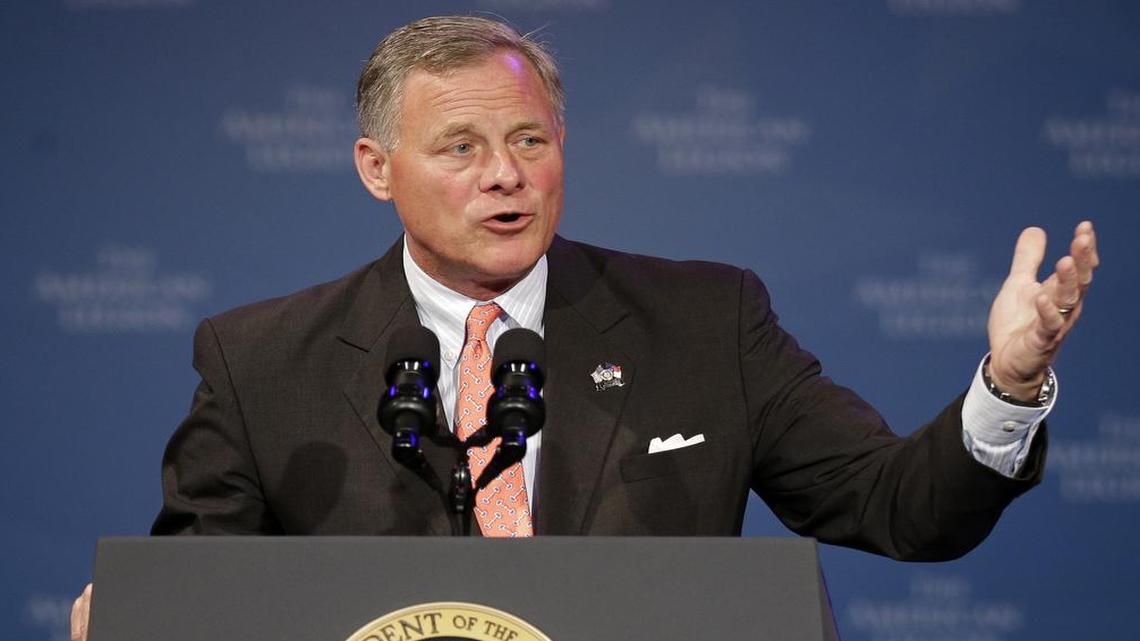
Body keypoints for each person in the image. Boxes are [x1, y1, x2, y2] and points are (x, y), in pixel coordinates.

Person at [70, 14, 1100, 641]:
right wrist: (136, 618)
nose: (506, 174)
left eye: (530, 139)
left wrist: (1006, 388)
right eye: (460, 146)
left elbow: (901, 507)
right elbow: (198, 596)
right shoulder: (261, 361)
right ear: (375, 169)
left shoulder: (706, 319)